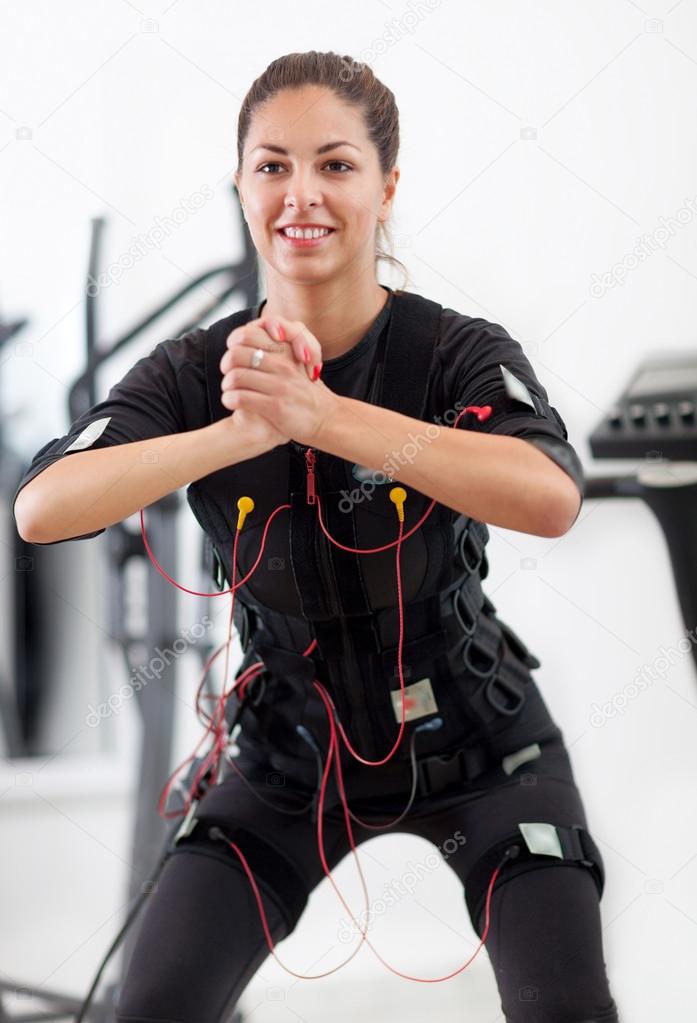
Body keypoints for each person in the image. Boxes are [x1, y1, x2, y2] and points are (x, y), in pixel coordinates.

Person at [13, 50, 620, 1023]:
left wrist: (322, 418)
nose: (303, 193)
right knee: (150, 1007)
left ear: (385, 186)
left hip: (481, 752)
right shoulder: (194, 370)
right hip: (289, 762)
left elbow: (548, 495)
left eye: (335, 164)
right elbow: (41, 509)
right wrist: (239, 431)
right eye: (272, 165)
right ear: (242, 184)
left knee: (566, 1010)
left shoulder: (455, 350)